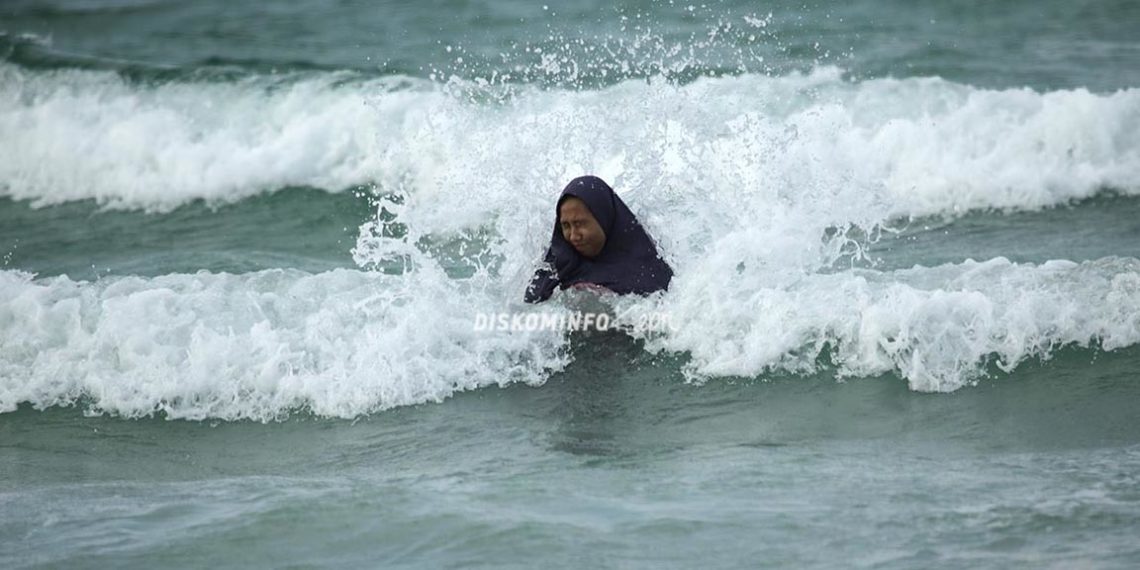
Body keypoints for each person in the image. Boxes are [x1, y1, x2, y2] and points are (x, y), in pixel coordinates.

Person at [525, 175, 673, 303]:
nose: (573, 236)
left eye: (580, 224)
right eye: (566, 225)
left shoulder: (647, 275)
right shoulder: (554, 267)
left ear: (604, 219)